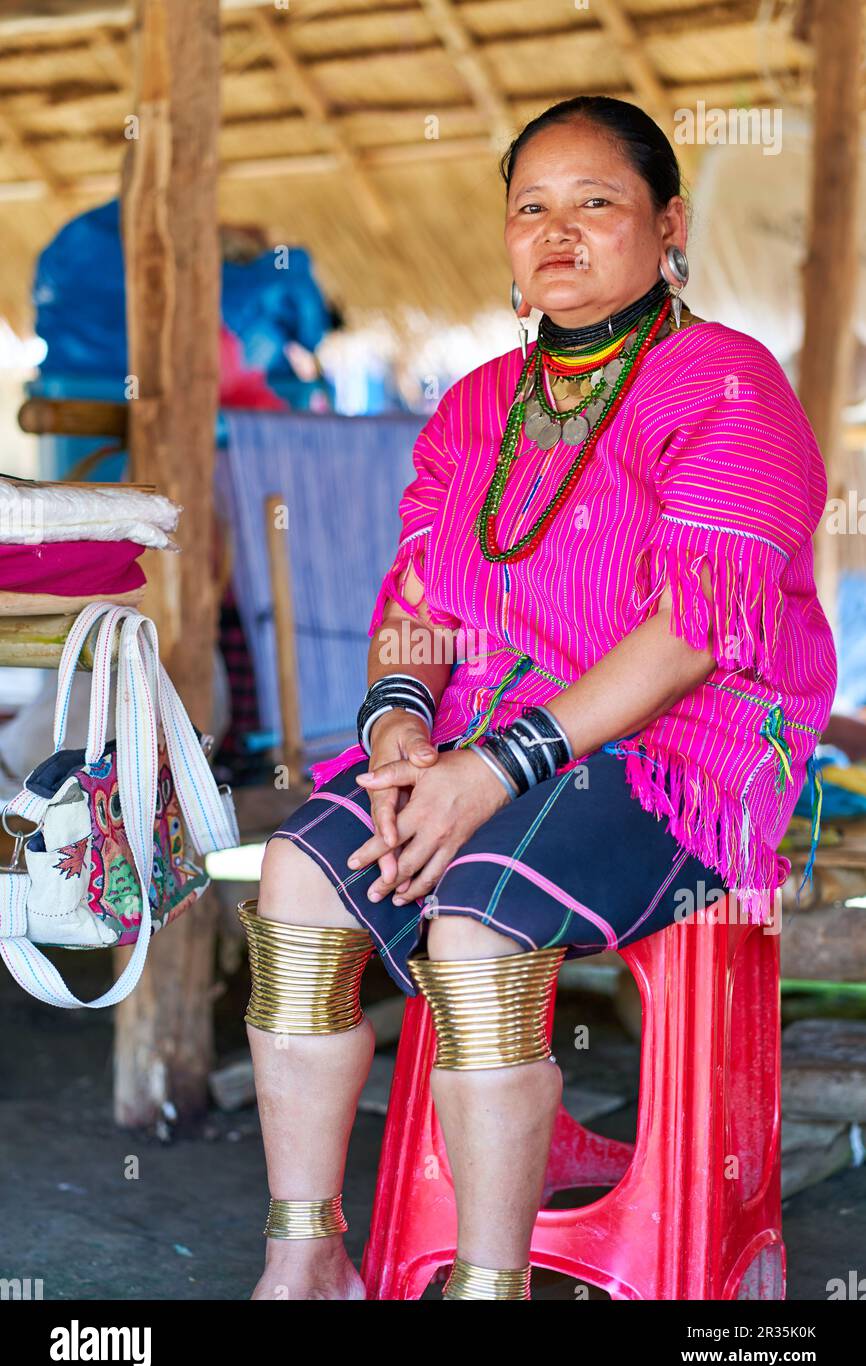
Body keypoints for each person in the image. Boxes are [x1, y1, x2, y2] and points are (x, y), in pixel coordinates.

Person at [237, 95, 837, 1301]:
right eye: (530, 208)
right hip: (481, 736)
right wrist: (398, 721)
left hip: (685, 743)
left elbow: (691, 634)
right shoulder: (475, 405)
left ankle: (490, 1282)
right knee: (298, 879)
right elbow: (415, 589)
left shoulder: (725, 382)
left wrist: (487, 772)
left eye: (594, 203)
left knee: (478, 917)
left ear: (667, 224)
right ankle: (309, 1252)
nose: (556, 232)